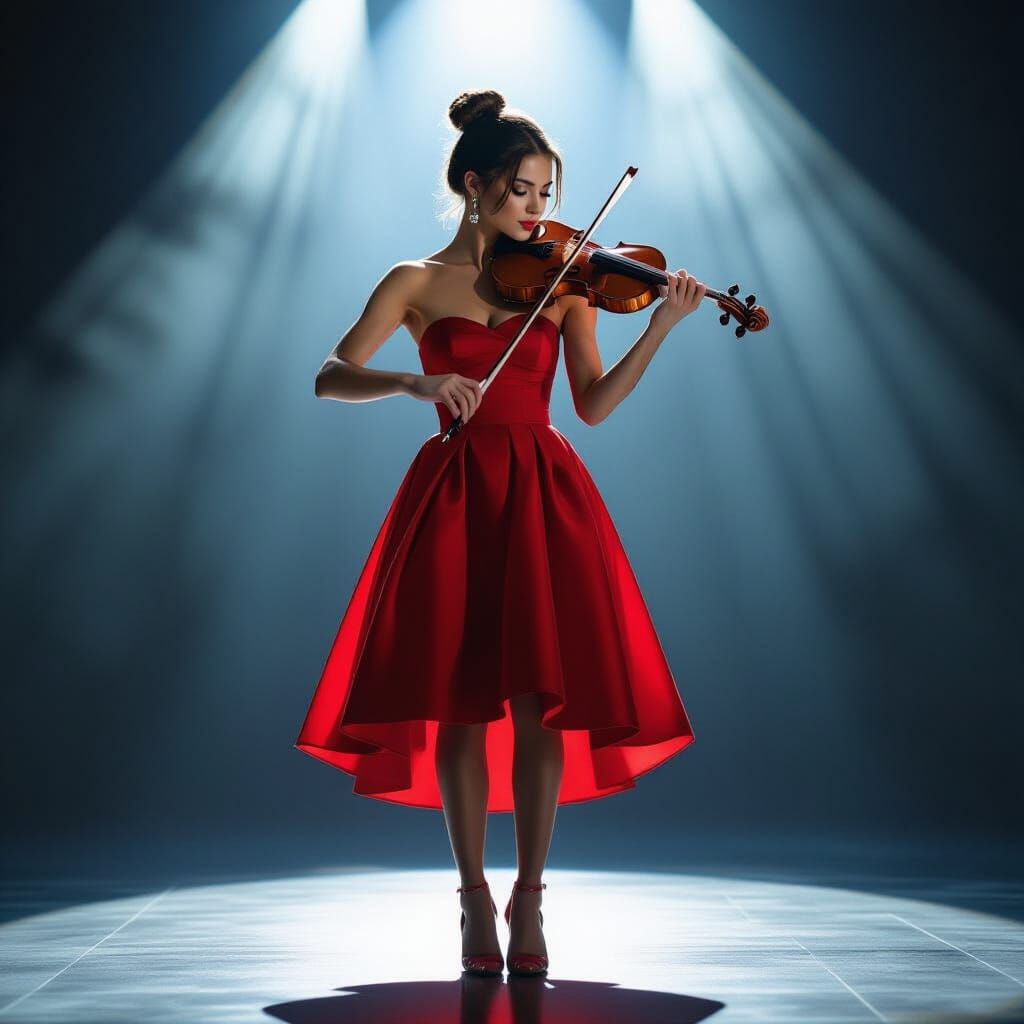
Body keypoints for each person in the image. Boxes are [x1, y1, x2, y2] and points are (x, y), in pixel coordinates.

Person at [296, 88, 704, 978]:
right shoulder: (413, 281)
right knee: (459, 700)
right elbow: (330, 374)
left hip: (541, 492)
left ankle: (530, 899)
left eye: (549, 195)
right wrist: (413, 385)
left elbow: (591, 406)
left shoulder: (565, 285)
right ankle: (472, 898)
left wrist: (663, 325)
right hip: (453, 492)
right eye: (523, 191)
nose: (539, 213)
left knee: (538, 702)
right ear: (476, 185)